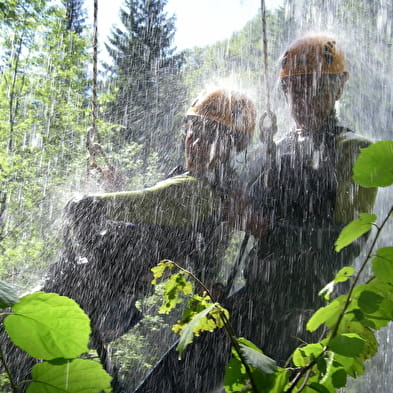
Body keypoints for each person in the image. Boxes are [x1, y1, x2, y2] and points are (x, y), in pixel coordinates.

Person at [134, 34, 378, 393]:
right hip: (259, 298)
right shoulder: (274, 150)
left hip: (310, 309)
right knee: (170, 376)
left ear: (339, 88)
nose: (303, 98)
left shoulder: (354, 151)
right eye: (294, 88)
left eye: (315, 87)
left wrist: (267, 229)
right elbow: (224, 200)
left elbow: (348, 244)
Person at [31, 88, 258, 387]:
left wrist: (95, 201)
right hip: (103, 294)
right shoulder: (210, 189)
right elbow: (156, 211)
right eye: (194, 130)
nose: (198, 142)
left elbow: (153, 203)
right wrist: (114, 194)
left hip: (99, 293)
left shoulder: (200, 191)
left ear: (232, 147)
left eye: (212, 136)